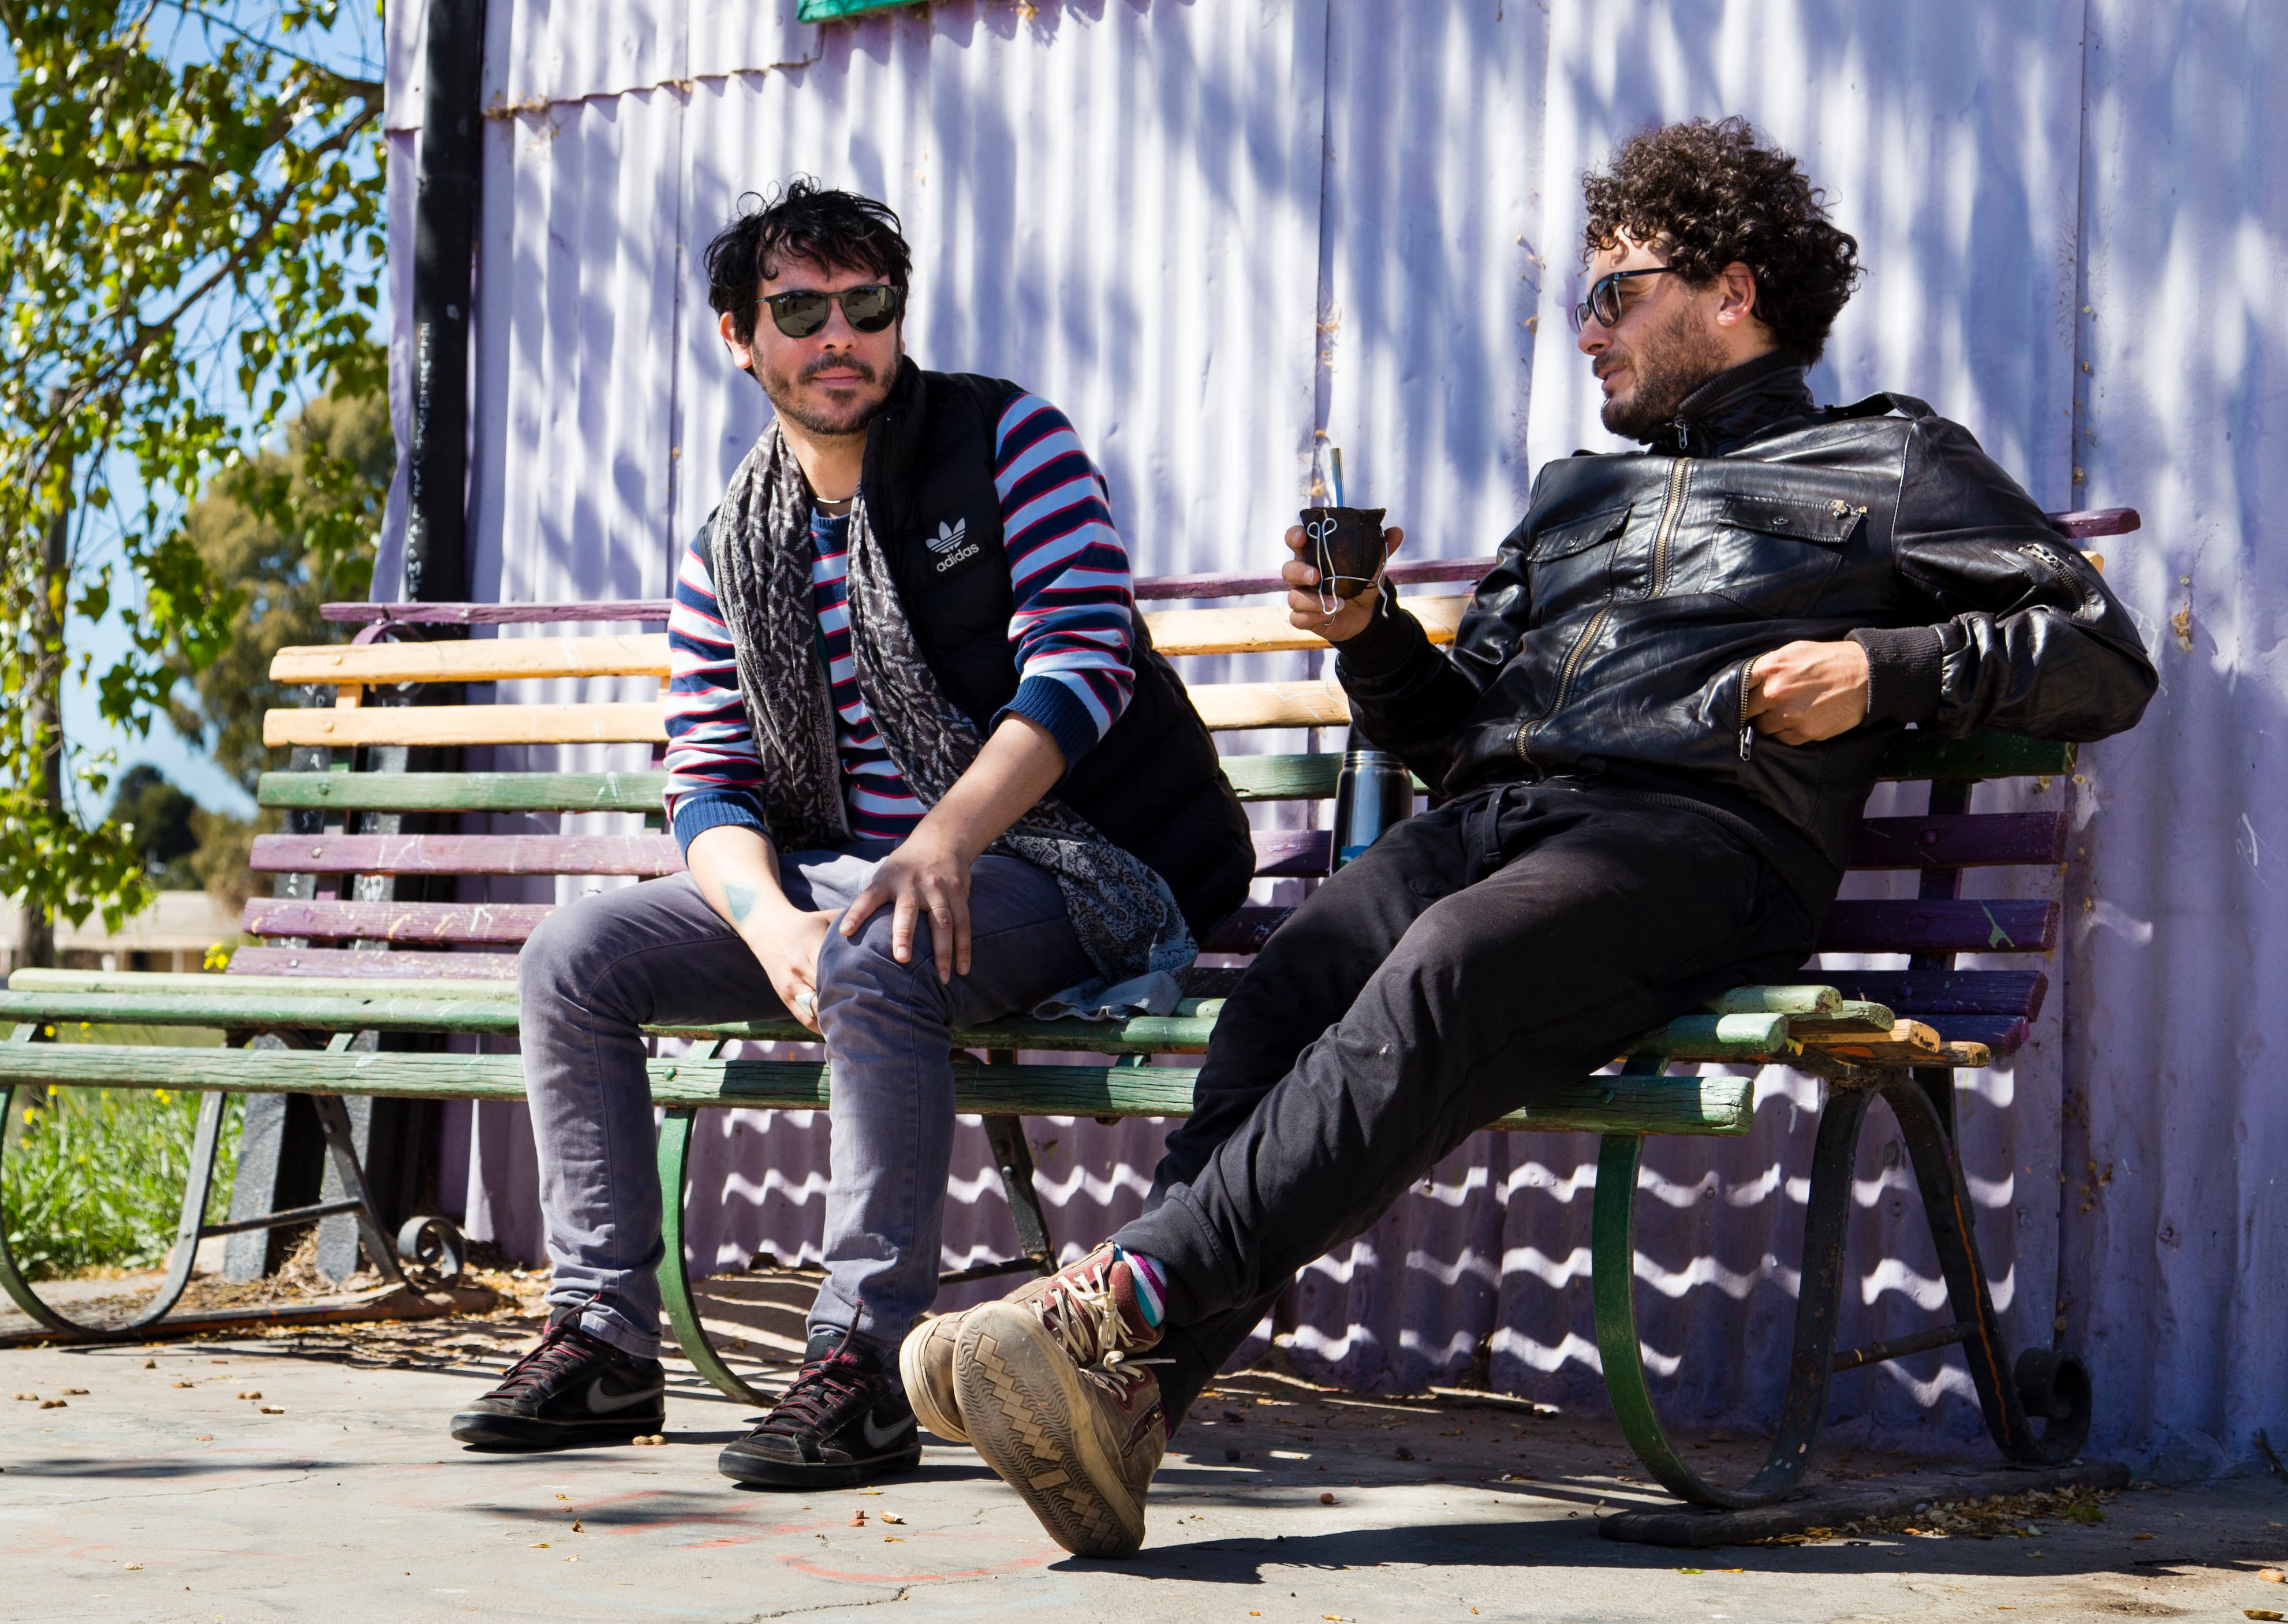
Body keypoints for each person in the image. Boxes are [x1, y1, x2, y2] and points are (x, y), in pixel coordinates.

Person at [935, 117, 2160, 1556]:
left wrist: (1880, 673)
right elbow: (1454, 740)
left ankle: (1112, 1303)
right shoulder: (1573, 496)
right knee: (1290, 980)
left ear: (1731, 290)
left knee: (1448, 963)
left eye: (1611, 294)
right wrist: (1370, 635)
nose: (1583, 335)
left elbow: (2099, 655)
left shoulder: (1888, 462)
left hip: (1701, 840)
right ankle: (1132, 1401)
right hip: (1507, 822)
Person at [447, 180, 1256, 1489]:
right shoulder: (733, 537)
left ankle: (866, 1366)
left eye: (867, 306)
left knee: (878, 948)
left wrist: (939, 841)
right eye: (801, 310)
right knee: (573, 959)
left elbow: (1080, 668)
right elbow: (705, 777)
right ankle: (601, 1338)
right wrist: (770, 924)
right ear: (738, 337)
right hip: (846, 877)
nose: (841, 337)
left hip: (1078, 856)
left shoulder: (1005, 442)